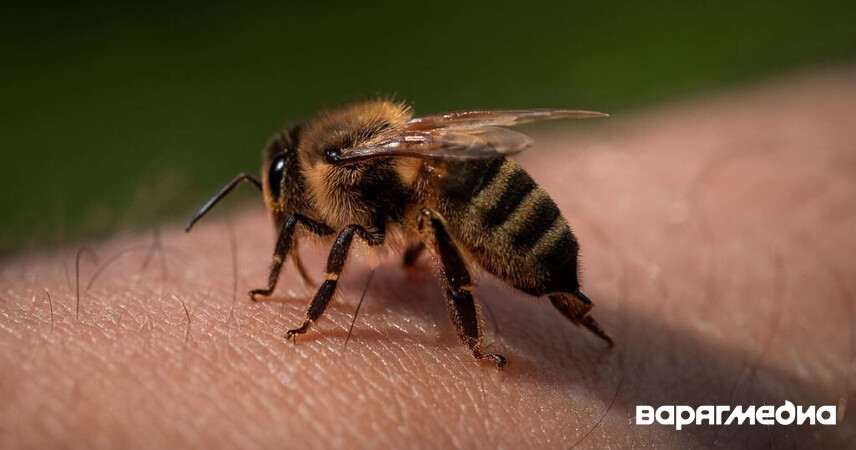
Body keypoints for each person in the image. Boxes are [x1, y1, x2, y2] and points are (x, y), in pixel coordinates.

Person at [3, 68, 854, 448]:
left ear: (297, 171)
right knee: (429, 209)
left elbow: (347, 235)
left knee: (439, 216)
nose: (281, 210)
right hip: (466, 186)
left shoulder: (334, 174)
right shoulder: (368, 155)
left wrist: (305, 306)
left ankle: (489, 328)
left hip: (488, 211)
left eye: (277, 193)